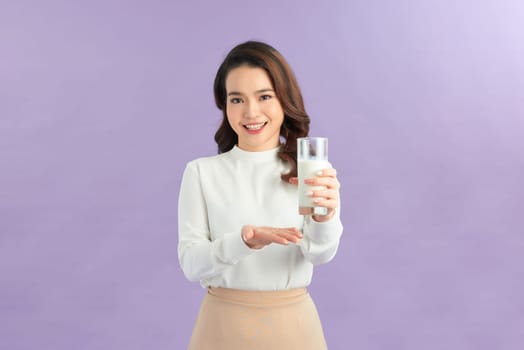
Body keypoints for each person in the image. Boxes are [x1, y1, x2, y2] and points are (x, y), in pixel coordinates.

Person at [178, 40, 343, 350]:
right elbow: (191, 264)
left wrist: (324, 218)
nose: (250, 112)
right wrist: (243, 242)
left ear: (285, 100)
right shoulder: (201, 173)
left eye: (264, 96)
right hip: (221, 329)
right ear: (224, 105)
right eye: (236, 99)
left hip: (295, 330)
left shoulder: (310, 170)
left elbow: (320, 255)